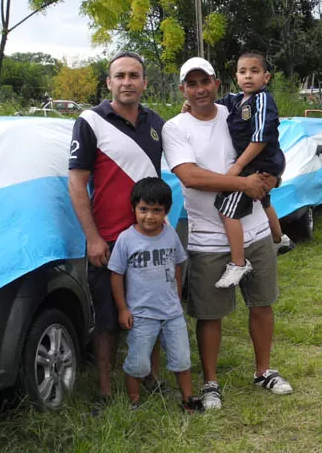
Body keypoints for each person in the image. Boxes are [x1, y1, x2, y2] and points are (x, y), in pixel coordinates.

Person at [163, 57, 292, 412]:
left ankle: (263, 370)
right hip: (207, 236)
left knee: (262, 304)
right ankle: (210, 383)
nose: (200, 89)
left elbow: (266, 143)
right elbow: (191, 176)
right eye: (192, 84)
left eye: (205, 81)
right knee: (209, 315)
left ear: (217, 83)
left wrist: (270, 179)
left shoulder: (234, 111)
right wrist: (243, 182)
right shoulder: (175, 128)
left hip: (255, 230)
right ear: (183, 90)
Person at [68, 51, 168, 414]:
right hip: (108, 241)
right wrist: (92, 237)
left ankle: (152, 379)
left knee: (152, 311)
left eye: (134, 75)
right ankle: (106, 391)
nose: (127, 81)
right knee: (107, 321)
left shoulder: (157, 123)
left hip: (150, 236)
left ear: (144, 82)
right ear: (108, 82)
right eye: (120, 75)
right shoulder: (90, 121)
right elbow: (77, 183)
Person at [109, 177, 203, 412]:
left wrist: (178, 294)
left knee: (182, 358)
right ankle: (134, 401)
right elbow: (116, 274)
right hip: (141, 315)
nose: (149, 216)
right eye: (143, 209)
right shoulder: (126, 240)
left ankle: (188, 400)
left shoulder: (170, 235)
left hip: (172, 313)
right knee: (138, 362)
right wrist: (123, 308)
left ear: (167, 211)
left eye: (156, 210)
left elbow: (178, 263)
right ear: (134, 208)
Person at [207, 53, 292, 290]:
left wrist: (238, 167)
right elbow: (218, 103)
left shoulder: (262, 99)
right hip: (262, 164)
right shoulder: (236, 100)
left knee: (227, 210)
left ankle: (238, 262)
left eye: (254, 71)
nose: (247, 76)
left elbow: (260, 137)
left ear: (266, 77)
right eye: (242, 71)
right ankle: (279, 239)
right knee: (264, 202)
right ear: (236, 76)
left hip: (260, 163)